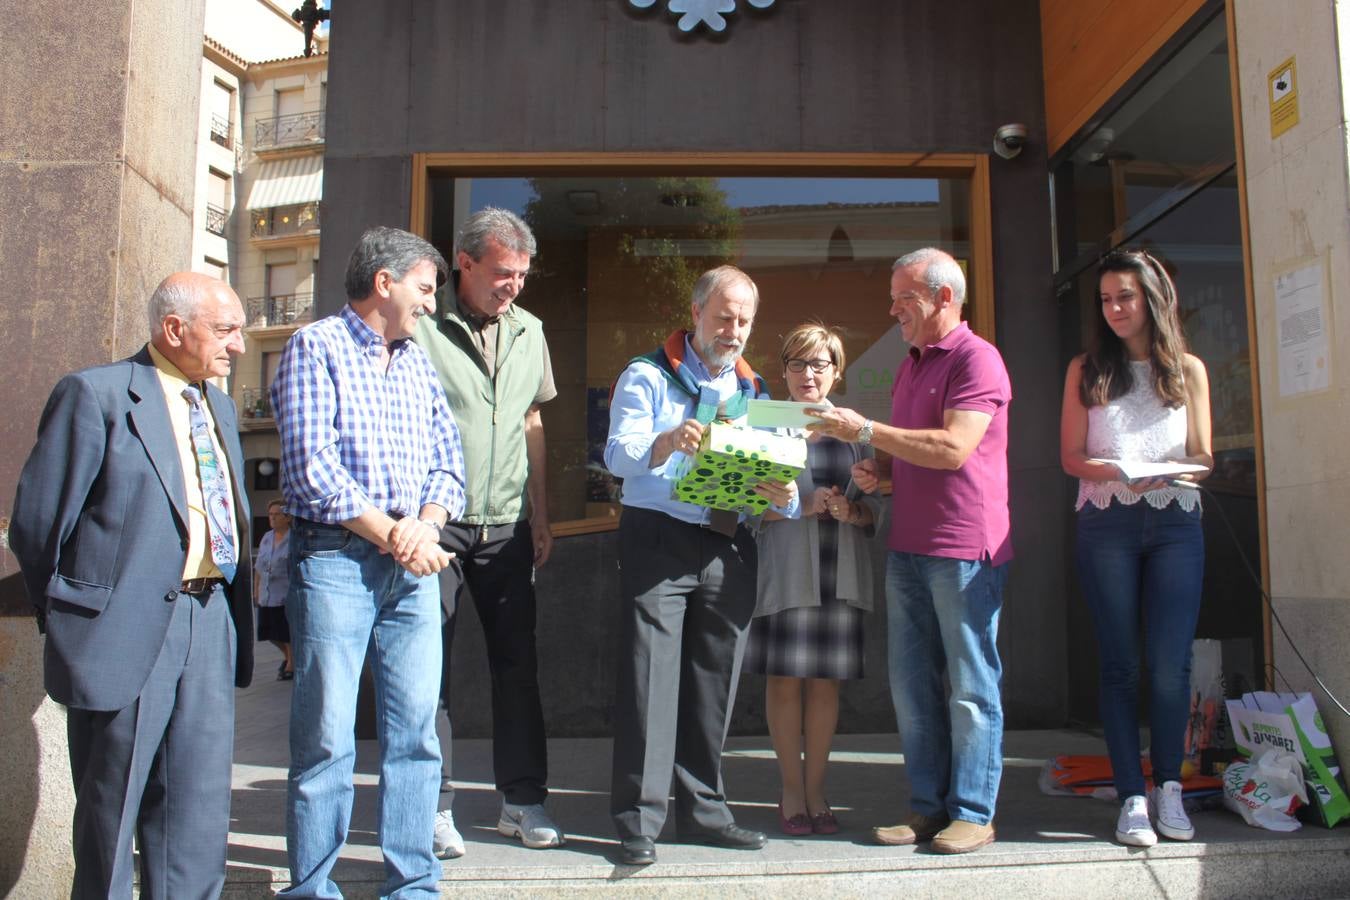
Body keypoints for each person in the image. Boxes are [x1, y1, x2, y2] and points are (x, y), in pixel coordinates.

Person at [11, 272, 254, 898]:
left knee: (196, 815)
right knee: (111, 814)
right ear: (174, 329)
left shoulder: (219, 406)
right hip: (120, 631)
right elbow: (40, 526)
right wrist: (75, 617)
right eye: (226, 330)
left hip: (208, 620)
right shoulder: (96, 395)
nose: (240, 347)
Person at [271, 226, 466, 899]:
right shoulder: (313, 347)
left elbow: (450, 460)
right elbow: (311, 468)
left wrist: (426, 526)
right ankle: (311, 889)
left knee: (415, 736)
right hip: (335, 564)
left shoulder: (416, 361)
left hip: (410, 569)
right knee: (326, 738)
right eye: (425, 288)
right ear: (384, 283)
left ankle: (414, 885)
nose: (431, 306)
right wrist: (397, 535)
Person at [808, 247, 1012, 855]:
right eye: (893, 297)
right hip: (909, 544)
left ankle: (974, 812)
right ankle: (928, 809)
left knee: (971, 687)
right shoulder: (910, 363)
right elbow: (920, 458)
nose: (892, 308)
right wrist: (883, 476)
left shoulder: (979, 360)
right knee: (912, 687)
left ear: (945, 296)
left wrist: (864, 431)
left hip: (963, 548)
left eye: (905, 297)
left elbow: (953, 449)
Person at [605, 265, 799, 866]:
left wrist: (781, 495)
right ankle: (640, 820)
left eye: (744, 320)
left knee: (715, 682)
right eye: (724, 317)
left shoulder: (758, 391)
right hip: (658, 538)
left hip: (728, 542)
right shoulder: (646, 375)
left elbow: (783, 481)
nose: (734, 330)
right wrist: (664, 442)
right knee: (649, 680)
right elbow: (616, 456)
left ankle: (704, 813)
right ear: (695, 314)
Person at [413, 207, 561, 857]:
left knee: (519, 668)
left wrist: (543, 511)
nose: (514, 286)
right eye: (503, 273)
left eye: (523, 275)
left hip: (506, 526)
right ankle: (433, 807)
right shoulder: (420, 327)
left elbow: (533, 418)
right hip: (432, 527)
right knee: (427, 673)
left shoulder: (531, 330)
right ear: (463, 262)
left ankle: (522, 803)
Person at [1059, 248, 1212, 847]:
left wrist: (1172, 472)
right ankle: (1131, 797)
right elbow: (1070, 456)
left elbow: (1204, 456)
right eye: (1106, 299)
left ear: (1153, 299)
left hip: (1176, 521)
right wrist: (1120, 471)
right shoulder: (1086, 368)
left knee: (1171, 667)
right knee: (1120, 663)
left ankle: (1169, 788)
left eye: (1126, 295)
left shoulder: (1189, 370)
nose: (1116, 308)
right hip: (1107, 520)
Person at [744, 323, 884, 837]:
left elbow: (876, 510)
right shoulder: (762, 420)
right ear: (782, 370)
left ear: (836, 371)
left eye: (819, 364)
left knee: (826, 685)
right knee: (784, 681)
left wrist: (854, 508)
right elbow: (741, 503)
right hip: (786, 570)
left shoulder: (854, 425)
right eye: (798, 364)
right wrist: (798, 505)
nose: (808, 374)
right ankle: (791, 792)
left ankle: (819, 791)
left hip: (839, 568)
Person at [255, 498, 294, 680]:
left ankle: (291, 664)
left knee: (285, 632)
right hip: (267, 593)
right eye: (271, 514)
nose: (273, 518)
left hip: (285, 594)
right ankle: (288, 658)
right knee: (269, 632)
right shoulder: (266, 538)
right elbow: (258, 568)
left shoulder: (294, 538)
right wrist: (256, 590)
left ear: (287, 517)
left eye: (277, 514)